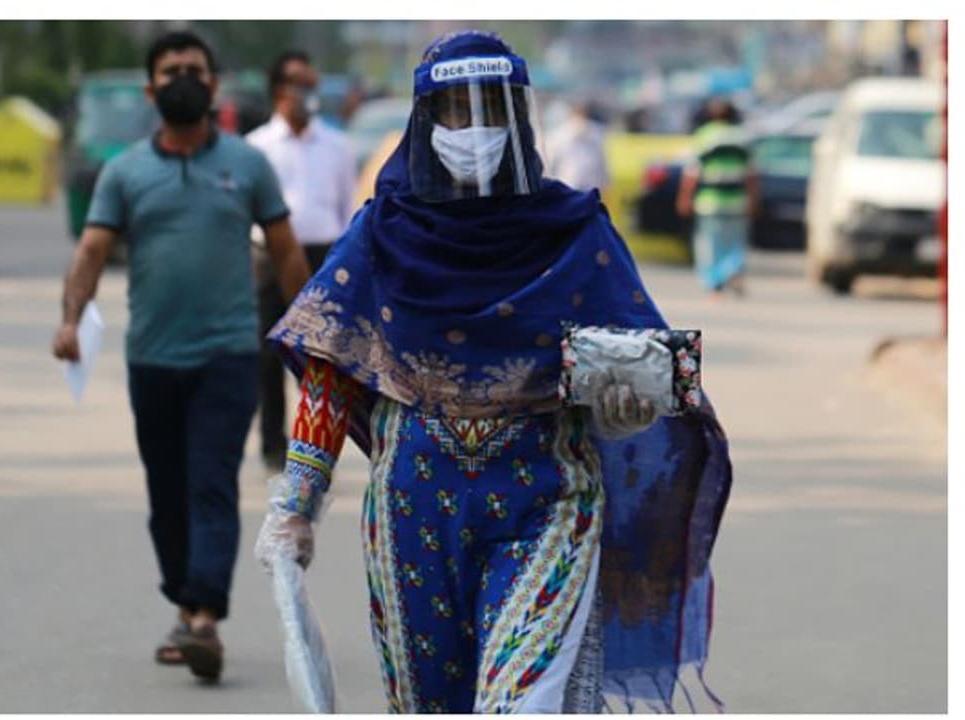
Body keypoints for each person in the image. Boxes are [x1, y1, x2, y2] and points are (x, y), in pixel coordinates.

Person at [254, 31, 732, 713]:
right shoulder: (382, 233)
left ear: (518, 117)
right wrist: (296, 505)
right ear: (426, 123)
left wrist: (629, 407)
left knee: (521, 704)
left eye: (490, 110)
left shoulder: (573, 231)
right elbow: (333, 361)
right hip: (410, 512)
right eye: (454, 111)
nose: (473, 128)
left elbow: (643, 359)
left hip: (547, 501)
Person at [51, 30, 311, 683]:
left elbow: (283, 250)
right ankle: (186, 601)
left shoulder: (248, 167)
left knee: (211, 483)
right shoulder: (125, 171)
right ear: (151, 89)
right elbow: (89, 252)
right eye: (170, 72)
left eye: (193, 70)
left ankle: (203, 620)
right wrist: (69, 318)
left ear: (214, 85)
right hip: (152, 360)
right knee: (166, 495)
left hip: (227, 355)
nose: (182, 80)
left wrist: (309, 329)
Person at [247, 51, 358, 469]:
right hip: (270, 255)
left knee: (322, 356)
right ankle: (273, 445)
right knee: (269, 353)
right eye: (299, 84)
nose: (307, 94)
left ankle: (317, 444)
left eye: (312, 84)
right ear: (279, 91)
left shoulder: (337, 145)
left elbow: (348, 206)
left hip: (324, 256)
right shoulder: (257, 147)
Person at [676, 97, 758, 298]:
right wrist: (754, 199)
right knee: (735, 242)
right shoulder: (743, 137)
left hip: (709, 201)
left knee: (710, 245)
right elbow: (751, 175)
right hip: (737, 201)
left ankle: (714, 284)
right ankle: (733, 274)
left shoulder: (704, 136)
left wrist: (684, 198)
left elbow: (692, 173)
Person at [545, 100, 611, 193]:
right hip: (569, 185)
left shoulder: (596, 133)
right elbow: (549, 162)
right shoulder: (559, 135)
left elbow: (602, 161)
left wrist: (605, 183)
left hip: (590, 186)